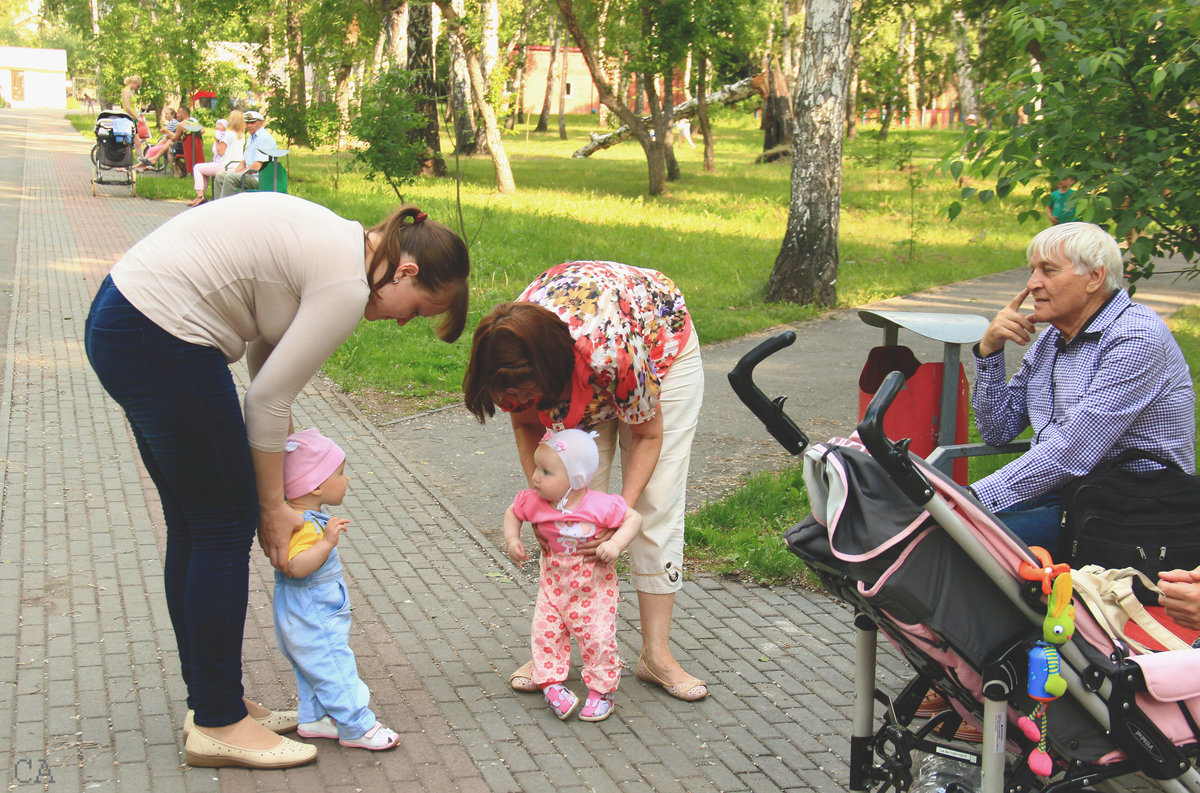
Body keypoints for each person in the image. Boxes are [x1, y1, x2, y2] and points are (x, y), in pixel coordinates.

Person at [84, 196, 470, 769]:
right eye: (418, 308)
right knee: (224, 526)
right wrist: (272, 507)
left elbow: (267, 366)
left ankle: (212, 701)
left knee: (197, 526)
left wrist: (285, 472)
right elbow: (265, 399)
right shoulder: (346, 286)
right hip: (161, 336)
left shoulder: (340, 245)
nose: (403, 321)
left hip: (126, 320)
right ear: (406, 271)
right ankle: (218, 724)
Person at [463, 260, 709, 702]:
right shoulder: (510, 349)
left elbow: (648, 434)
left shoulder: (610, 351)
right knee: (572, 524)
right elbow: (527, 429)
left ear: (546, 374)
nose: (510, 404)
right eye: (505, 398)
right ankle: (553, 654)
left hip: (657, 343)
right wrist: (553, 506)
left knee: (654, 507)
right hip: (573, 359)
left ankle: (656, 654)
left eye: (519, 396)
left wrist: (619, 514)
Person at [969, 222, 1195, 548]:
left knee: (964, 543)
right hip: (1071, 495)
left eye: (1048, 271)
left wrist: (972, 499)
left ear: (1094, 278)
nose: (1033, 284)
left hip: (1134, 509)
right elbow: (997, 429)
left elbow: (1073, 450)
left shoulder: (1135, 338)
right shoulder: (1053, 338)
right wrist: (990, 350)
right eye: (1033, 271)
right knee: (936, 532)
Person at [504, 429, 643, 721]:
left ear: (576, 479)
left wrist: (615, 544)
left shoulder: (599, 505)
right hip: (554, 586)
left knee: (598, 638)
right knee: (545, 634)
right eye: (536, 468)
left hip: (593, 589)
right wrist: (512, 538)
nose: (535, 477)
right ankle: (552, 684)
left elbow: (633, 517)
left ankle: (602, 691)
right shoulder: (534, 500)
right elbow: (513, 512)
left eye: (546, 472)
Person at [275, 428, 401, 750]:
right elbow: (295, 566)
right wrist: (326, 543)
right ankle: (357, 725)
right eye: (340, 473)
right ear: (316, 485)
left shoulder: (303, 516)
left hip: (304, 610)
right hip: (313, 612)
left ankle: (314, 717)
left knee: (313, 665)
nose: (346, 480)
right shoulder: (304, 525)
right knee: (334, 664)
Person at [213, 110, 276, 198]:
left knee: (230, 178)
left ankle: (226, 208)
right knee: (220, 176)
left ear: (261, 123)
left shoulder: (264, 138)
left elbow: (257, 166)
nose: (249, 126)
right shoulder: (251, 137)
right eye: (247, 123)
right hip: (249, 173)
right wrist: (236, 172)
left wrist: (240, 173)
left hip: (258, 177)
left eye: (253, 122)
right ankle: (218, 205)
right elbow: (243, 162)